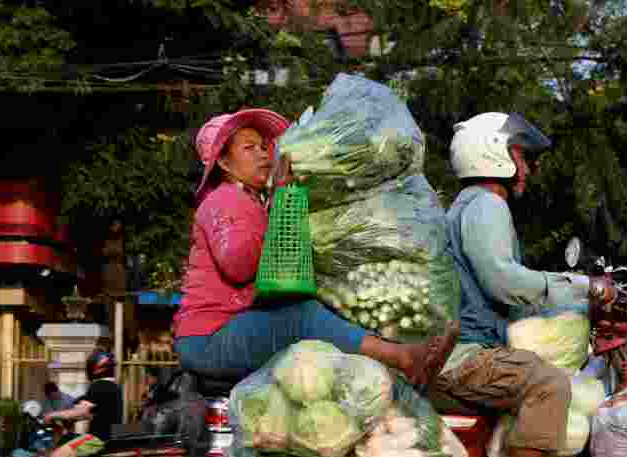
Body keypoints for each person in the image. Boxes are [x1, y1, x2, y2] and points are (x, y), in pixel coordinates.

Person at [172, 108, 459, 388]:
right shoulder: (226, 200)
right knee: (301, 316)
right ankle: (403, 357)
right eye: (249, 148)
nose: (263, 154)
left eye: (263, 146)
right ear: (223, 162)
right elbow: (239, 265)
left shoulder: (252, 202)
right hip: (209, 338)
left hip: (230, 330)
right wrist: (280, 206)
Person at [430, 112, 592, 457]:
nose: (528, 167)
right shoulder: (486, 204)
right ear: (493, 153)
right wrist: (582, 287)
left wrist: (565, 305)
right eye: (521, 155)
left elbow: (506, 293)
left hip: (455, 350)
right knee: (547, 384)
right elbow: (504, 281)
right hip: (463, 357)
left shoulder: (468, 205)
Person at [42, 351, 124, 457]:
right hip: (107, 437)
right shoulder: (112, 386)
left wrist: (52, 415)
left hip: (97, 440)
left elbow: (80, 411)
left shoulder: (100, 386)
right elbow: (88, 414)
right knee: (69, 441)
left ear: (95, 368)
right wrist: (69, 418)